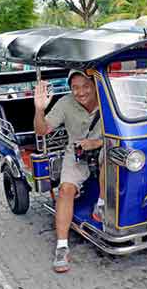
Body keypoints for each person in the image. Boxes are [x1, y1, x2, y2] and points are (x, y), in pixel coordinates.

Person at [34, 70, 104, 273]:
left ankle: (100, 206)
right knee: (65, 190)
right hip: (77, 153)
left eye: (85, 86)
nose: (80, 92)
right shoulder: (65, 103)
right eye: (75, 87)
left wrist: (97, 142)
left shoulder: (107, 97)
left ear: (93, 85)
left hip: (105, 148)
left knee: (112, 158)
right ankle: (62, 246)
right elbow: (42, 130)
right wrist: (39, 110)